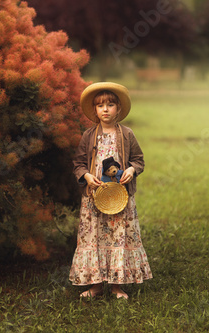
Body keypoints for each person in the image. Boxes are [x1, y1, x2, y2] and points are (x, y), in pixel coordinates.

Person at [70, 82, 152, 299]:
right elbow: (78, 163)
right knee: (94, 237)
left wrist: (132, 170)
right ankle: (95, 285)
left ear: (119, 109)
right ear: (95, 111)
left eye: (110, 105)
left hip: (120, 198)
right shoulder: (89, 135)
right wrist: (87, 176)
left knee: (118, 237)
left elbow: (138, 159)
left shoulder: (126, 134)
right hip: (94, 198)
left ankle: (117, 285)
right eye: (100, 106)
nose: (105, 109)